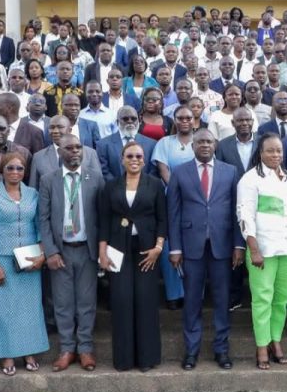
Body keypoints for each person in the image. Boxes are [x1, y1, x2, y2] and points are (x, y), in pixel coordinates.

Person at [168, 130, 244, 370]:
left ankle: (221, 350)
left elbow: (236, 211)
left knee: (222, 300)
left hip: (222, 246)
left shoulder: (230, 171)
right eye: (200, 141)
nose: (204, 145)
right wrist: (175, 248)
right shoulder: (179, 172)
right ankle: (191, 351)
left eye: (209, 141)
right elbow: (174, 213)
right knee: (192, 300)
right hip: (191, 247)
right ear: (193, 146)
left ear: (215, 145)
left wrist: (238, 244)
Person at [98, 141, 167, 372]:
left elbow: (162, 219)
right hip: (118, 249)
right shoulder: (111, 186)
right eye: (130, 156)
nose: (134, 159)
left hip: (147, 249)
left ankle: (147, 358)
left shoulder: (155, 184)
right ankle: (124, 359)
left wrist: (158, 247)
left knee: (145, 301)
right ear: (122, 159)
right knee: (122, 300)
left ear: (145, 160)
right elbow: (104, 220)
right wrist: (102, 252)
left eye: (139, 156)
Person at [38, 135, 104, 372]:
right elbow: (42, 219)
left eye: (78, 147)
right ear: (60, 152)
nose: (75, 151)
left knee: (86, 303)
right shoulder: (48, 180)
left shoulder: (95, 178)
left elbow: (102, 216)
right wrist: (51, 251)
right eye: (69, 148)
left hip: (87, 250)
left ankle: (85, 349)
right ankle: (67, 349)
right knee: (63, 303)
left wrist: (101, 250)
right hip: (61, 251)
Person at [0, 153, 49, 375]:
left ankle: (29, 352)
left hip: (29, 259)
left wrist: (42, 254)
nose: (15, 172)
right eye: (10, 168)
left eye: (20, 168)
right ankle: (7, 355)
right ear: (2, 170)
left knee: (30, 309)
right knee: (4, 309)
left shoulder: (32, 194)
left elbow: (40, 225)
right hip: (2, 260)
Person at [237, 133, 287, 370]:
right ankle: (261, 346)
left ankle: (276, 341)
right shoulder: (250, 179)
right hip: (262, 249)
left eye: (279, 151)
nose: (276, 155)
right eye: (270, 151)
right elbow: (245, 216)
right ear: (260, 153)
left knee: (281, 299)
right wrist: (253, 249)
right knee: (262, 298)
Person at [29, 115, 99, 188]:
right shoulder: (39, 157)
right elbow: (34, 189)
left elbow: (98, 183)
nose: (55, 131)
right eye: (52, 127)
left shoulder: (90, 154)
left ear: (70, 130)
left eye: (60, 127)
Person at [99, 106, 158, 181]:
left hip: (144, 190)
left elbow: (153, 171)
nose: (130, 121)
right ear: (117, 122)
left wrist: (142, 187)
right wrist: (117, 187)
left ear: (139, 121)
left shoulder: (152, 144)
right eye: (125, 119)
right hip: (114, 189)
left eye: (133, 119)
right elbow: (104, 171)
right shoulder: (103, 145)